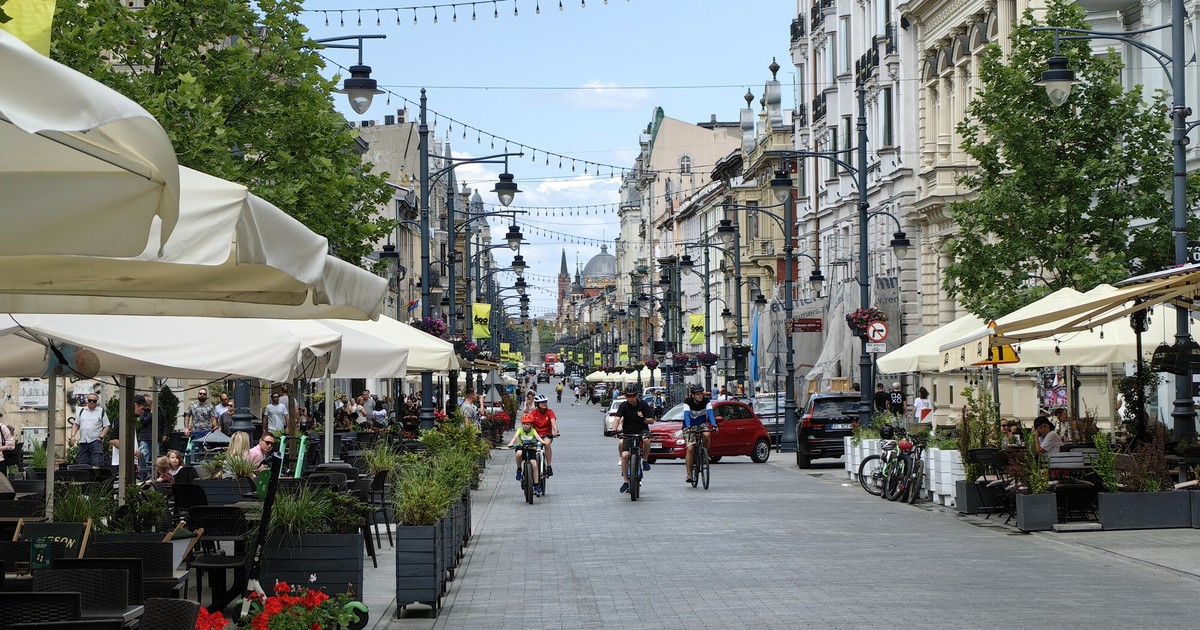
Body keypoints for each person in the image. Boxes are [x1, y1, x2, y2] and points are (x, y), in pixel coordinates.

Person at [612, 385, 655, 493]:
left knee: (646, 440)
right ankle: (626, 481)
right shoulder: (624, 406)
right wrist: (614, 429)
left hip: (641, 430)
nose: (631, 398)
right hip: (628, 433)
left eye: (633, 396)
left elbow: (652, 420)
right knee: (625, 455)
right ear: (626, 396)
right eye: (629, 396)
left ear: (636, 396)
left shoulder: (643, 404)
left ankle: (645, 460)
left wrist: (644, 418)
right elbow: (617, 418)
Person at [682, 385, 716, 485]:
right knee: (690, 448)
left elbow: (710, 413)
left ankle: (705, 452)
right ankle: (689, 474)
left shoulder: (706, 402)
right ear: (693, 395)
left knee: (706, 434)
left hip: (702, 424)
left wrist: (714, 424)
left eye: (701, 394)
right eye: (698, 394)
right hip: (690, 426)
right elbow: (686, 415)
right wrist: (688, 427)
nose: (700, 396)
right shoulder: (687, 402)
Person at [506, 415, 548, 496]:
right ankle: (519, 469)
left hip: (531, 449)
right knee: (519, 453)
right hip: (522, 448)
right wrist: (511, 443)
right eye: (524, 424)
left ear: (531, 425)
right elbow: (515, 437)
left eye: (528, 424)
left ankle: (536, 485)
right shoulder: (520, 430)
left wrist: (542, 441)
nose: (525, 426)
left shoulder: (533, 431)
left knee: (534, 465)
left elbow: (538, 437)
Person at [71, 393, 110, 467]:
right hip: (83, 441)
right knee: (82, 464)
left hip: (95, 441)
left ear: (96, 401)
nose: (92, 402)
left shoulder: (101, 411)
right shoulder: (82, 411)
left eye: (94, 401)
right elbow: (76, 424)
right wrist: (73, 436)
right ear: (87, 401)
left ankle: (95, 478)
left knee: (96, 464)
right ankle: (84, 478)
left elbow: (106, 426)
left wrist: (101, 437)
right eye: (90, 400)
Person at [526, 394, 560, 475]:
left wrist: (556, 430)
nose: (544, 404)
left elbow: (553, 421)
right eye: (542, 402)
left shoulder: (550, 412)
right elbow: (528, 423)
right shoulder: (534, 413)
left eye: (545, 402)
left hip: (546, 435)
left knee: (547, 444)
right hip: (536, 435)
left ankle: (549, 466)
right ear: (537, 404)